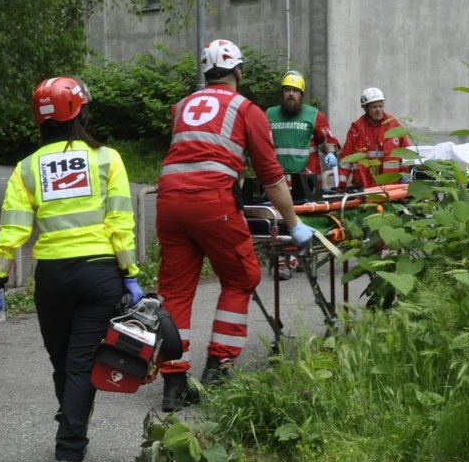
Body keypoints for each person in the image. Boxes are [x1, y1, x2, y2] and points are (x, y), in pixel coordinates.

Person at [0, 76, 141, 462]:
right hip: (99, 275)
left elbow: (13, 229)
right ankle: (69, 458)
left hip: (52, 278)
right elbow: (119, 224)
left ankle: (71, 424)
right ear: (81, 112)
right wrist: (130, 275)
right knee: (80, 365)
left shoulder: (27, 168)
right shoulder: (107, 159)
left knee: (62, 360)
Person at [155, 39, 314, 411]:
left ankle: (173, 385)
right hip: (211, 202)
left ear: (206, 72)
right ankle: (217, 369)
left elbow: (187, 153)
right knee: (242, 277)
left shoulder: (181, 107)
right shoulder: (246, 109)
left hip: (169, 201)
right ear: (238, 72)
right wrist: (293, 223)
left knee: (176, 292)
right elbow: (271, 175)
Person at [264, 69, 339, 278]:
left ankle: (299, 254)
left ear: (301, 95)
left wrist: (331, 154)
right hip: (278, 179)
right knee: (278, 220)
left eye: (294, 91)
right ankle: (282, 261)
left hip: (305, 179)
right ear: (282, 93)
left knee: (304, 219)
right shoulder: (269, 115)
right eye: (287, 90)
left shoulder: (314, 116)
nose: (290, 94)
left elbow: (329, 142)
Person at [341, 86, 414, 190]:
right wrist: (340, 186)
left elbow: (407, 154)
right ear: (365, 108)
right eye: (374, 107)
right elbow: (346, 160)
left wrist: (406, 177)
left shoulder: (394, 126)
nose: (378, 110)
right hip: (364, 186)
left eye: (381, 106)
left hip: (392, 186)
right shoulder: (356, 131)